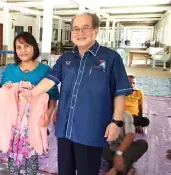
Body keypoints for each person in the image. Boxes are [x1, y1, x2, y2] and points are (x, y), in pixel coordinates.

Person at [20, 13, 132, 175]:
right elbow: (51, 80)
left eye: (85, 28)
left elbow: (119, 92)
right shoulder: (66, 58)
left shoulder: (110, 57)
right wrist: (32, 93)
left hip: (91, 128)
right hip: (66, 126)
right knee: (65, 171)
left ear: (96, 30)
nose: (80, 33)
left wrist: (116, 122)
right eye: (75, 29)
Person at [0, 32, 59, 174]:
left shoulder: (45, 70)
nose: (23, 50)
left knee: (32, 158)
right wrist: (5, 87)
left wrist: (48, 114)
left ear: (34, 47)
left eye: (27, 46)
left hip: (34, 121)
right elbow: (2, 96)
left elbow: (52, 96)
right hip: (14, 123)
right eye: (19, 47)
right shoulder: (10, 69)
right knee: (12, 158)